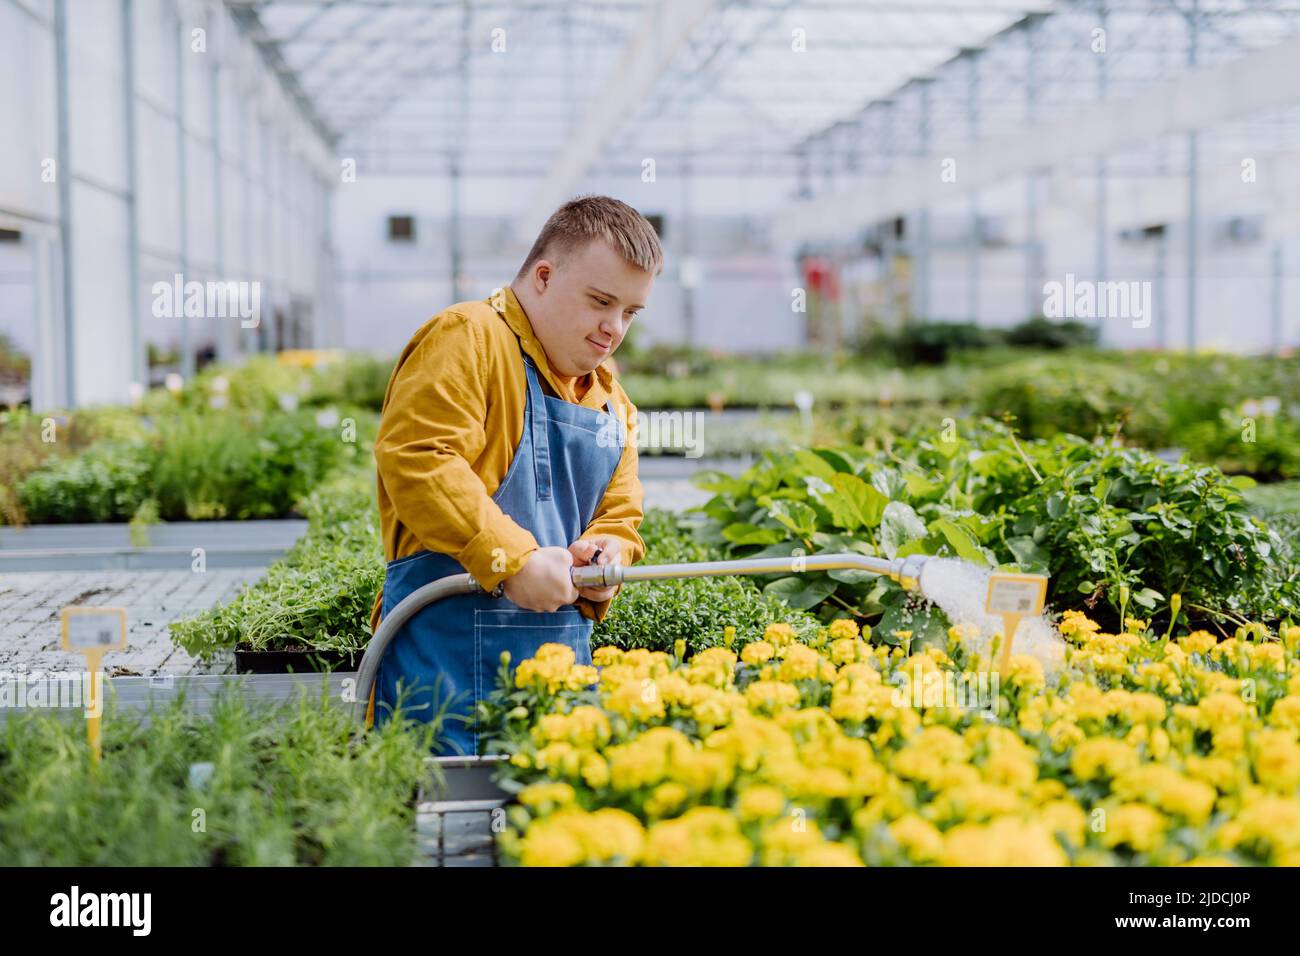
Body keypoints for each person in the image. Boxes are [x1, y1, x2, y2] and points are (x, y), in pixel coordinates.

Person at [366, 195, 662, 754]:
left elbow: (621, 511)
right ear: (544, 276)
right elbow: (420, 456)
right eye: (601, 301)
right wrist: (515, 561)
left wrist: (608, 555)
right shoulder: (468, 337)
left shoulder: (607, 395)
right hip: (442, 675)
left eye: (629, 313)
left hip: (557, 684)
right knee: (438, 826)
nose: (613, 329)